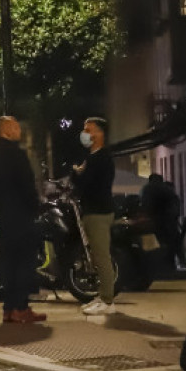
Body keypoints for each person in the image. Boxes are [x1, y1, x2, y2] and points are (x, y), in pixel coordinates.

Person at [0, 118, 45, 323]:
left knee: (8, 262)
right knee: (25, 262)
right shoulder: (17, 156)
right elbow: (27, 186)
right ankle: (21, 307)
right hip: (21, 216)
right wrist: (35, 207)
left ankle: (8, 308)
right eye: (16, 127)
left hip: (3, 217)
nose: (19, 130)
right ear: (6, 130)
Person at [72, 116, 117, 316]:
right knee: (97, 258)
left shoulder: (102, 158)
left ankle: (107, 301)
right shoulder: (93, 157)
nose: (85, 134)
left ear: (100, 134)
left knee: (101, 257)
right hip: (93, 211)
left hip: (99, 212)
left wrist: (77, 174)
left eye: (89, 130)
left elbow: (86, 185)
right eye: (85, 129)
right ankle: (103, 296)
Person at [140, 174, 182, 269]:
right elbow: (175, 206)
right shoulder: (167, 190)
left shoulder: (146, 190)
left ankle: (157, 266)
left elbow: (145, 206)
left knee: (154, 245)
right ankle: (170, 265)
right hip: (168, 223)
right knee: (170, 245)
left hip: (153, 223)